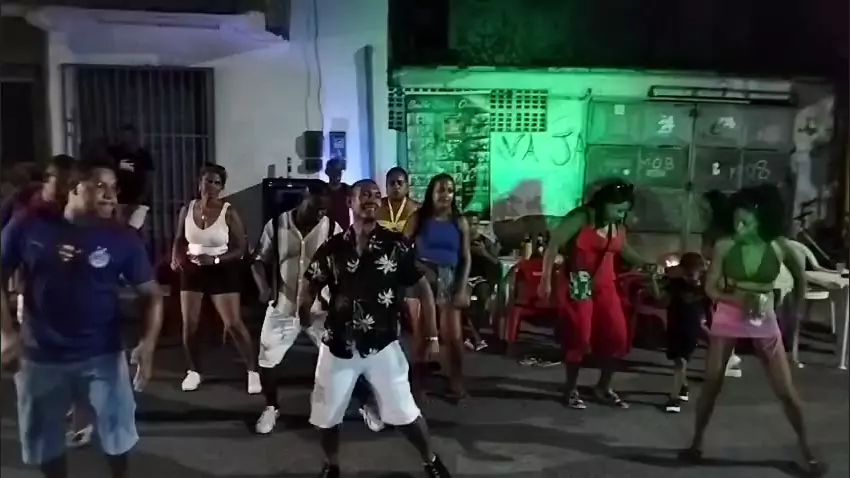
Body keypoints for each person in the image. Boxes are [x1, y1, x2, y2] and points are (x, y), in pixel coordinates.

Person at [0, 161, 164, 478]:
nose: (111, 196)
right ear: (75, 188)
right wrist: (6, 335)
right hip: (39, 357)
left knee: (117, 438)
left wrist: (148, 344)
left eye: (115, 188)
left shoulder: (123, 238)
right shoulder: (28, 225)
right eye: (101, 186)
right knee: (45, 443)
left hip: (103, 356)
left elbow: (153, 295)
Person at [299, 179, 451, 478]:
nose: (371, 199)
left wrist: (432, 334)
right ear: (350, 202)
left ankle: (430, 460)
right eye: (364, 194)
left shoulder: (396, 245)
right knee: (326, 417)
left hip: (382, 345)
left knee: (406, 413)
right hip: (338, 344)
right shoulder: (333, 247)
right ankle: (331, 465)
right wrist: (304, 311)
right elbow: (311, 281)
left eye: (376, 195)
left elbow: (422, 287)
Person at [679, 185, 824, 476]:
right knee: (712, 383)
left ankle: (808, 451)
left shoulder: (780, 246)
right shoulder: (725, 245)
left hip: (763, 316)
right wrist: (738, 299)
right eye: (736, 221)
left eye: (745, 222)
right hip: (729, 313)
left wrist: (795, 313)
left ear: (762, 218)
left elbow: (800, 277)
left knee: (785, 390)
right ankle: (696, 443)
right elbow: (711, 287)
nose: (739, 227)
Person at [250, 180, 381, 434]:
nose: (320, 214)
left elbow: (346, 265)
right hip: (284, 305)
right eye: (315, 208)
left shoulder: (332, 228)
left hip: (321, 310)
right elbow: (258, 259)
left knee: (346, 358)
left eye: (324, 210)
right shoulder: (276, 225)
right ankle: (271, 407)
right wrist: (263, 287)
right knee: (267, 359)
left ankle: (365, 404)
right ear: (303, 199)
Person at [539, 180, 649, 409]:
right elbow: (553, 245)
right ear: (603, 204)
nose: (621, 215)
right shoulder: (581, 217)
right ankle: (571, 388)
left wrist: (646, 264)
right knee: (580, 336)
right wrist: (545, 280)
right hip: (579, 282)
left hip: (606, 286)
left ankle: (604, 387)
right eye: (618, 210)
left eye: (624, 211)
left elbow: (623, 249)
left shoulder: (616, 224)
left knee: (618, 336)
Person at [171, 164, 259, 393]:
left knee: (233, 324)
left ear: (222, 188)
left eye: (216, 183)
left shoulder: (228, 212)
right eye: (208, 181)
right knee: (189, 325)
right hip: (193, 269)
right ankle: (194, 371)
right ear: (199, 182)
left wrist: (216, 260)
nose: (211, 186)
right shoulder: (187, 209)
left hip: (222, 268)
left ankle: (252, 371)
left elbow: (242, 248)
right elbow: (179, 238)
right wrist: (175, 256)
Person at [404, 173, 472, 401]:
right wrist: (411, 270)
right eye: (441, 190)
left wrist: (461, 287)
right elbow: (401, 247)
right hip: (421, 278)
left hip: (449, 278)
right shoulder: (419, 218)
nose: (446, 195)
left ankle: (456, 379)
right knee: (422, 334)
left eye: (450, 190)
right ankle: (418, 382)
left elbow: (466, 257)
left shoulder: (459, 222)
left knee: (453, 335)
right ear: (431, 193)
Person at [650, 252, 709, 413]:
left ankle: (674, 399)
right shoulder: (676, 284)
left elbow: (711, 306)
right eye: (689, 273)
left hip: (690, 330)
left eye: (697, 273)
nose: (694, 277)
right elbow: (661, 301)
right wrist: (654, 281)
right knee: (678, 360)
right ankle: (683, 386)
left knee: (681, 362)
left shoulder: (705, 288)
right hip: (674, 327)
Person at [700, 189, 743, 378]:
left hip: (721, 280)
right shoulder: (722, 230)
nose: (701, 211)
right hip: (723, 279)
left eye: (704, 208)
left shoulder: (718, 233)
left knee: (718, 321)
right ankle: (728, 358)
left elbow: (711, 254)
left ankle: (724, 361)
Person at [0, 154, 76, 229]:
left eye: (73, 185)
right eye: (63, 182)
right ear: (46, 178)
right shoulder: (23, 205)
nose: (67, 191)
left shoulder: (74, 213)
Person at [464, 211, 501, 351]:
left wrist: (484, 253)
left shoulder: (485, 241)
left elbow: (496, 263)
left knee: (484, 297)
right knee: (463, 301)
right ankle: (475, 337)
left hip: (481, 279)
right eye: (468, 224)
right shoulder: (459, 241)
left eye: (474, 224)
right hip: (463, 278)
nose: (471, 228)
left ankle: (472, 335)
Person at [107, 125, 154, 230]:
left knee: (136, 231)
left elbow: (149, 179)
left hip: (138, 200)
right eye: (123, 136)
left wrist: (140, 199)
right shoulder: (113, 153)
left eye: (129, 136)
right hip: (118, 200)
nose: (126, 140)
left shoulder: (143, 156)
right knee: (116, 229)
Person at [377, 166, 419, 233]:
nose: (396, 186)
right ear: (386, 186)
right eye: (392, 183)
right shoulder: (377, 206)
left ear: (407, 186)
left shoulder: (417, 208)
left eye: (400, 183)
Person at [324, 158, 350, 230]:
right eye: (334, 171)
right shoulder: (322, 190)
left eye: (339, 171)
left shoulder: (347, 190)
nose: (337, 174)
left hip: (343, 231)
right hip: (325, 230)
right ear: (327, 172)